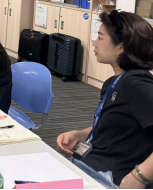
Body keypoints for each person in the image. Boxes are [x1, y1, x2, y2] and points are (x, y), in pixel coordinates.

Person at [57, 11, 153, 189]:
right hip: (88, 164)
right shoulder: (114, 82)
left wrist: (138, 177)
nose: (94, 42)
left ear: (121, 47)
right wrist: (79, 135)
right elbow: (115, 127)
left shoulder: (137, 84)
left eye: (100, 38)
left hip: (106, 178)